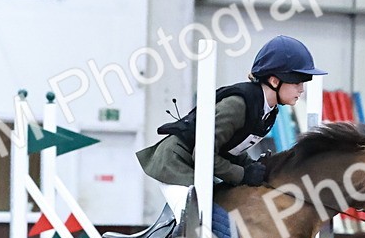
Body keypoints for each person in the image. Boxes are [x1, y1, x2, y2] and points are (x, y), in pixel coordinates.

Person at [136, 35, 326, 212]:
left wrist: (256, 169)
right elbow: (203, 153)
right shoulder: (238, 105)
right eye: (297, 83)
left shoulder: (268, 111)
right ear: (274, 80)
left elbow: (230, 150)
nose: (301, 90)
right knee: (201, 219)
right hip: (176, 163)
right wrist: (243, 175)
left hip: (198, 164)